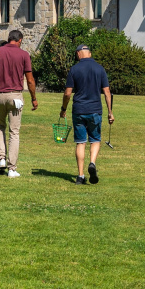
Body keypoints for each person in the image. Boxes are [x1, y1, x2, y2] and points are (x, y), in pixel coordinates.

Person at [0, 29, 38, 178]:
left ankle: (1, 159)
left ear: (9, 39)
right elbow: (30, 80)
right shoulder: (24, 54)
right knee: (14, 132)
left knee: (0, 126)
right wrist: (34, 98)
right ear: (19, 40)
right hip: (15, 96)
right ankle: (12, 169)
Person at [59, 44, 114, 185]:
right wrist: (110, 112)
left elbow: (67, 93)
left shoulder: (74, 69)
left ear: (78, 54)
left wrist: (63, 108)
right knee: (95, 139)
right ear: (89, 54)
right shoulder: (100, 69)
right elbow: (107, 92)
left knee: (80, 142)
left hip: (79, 110)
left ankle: (80, 176)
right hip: (95, 109)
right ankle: (92, 163)